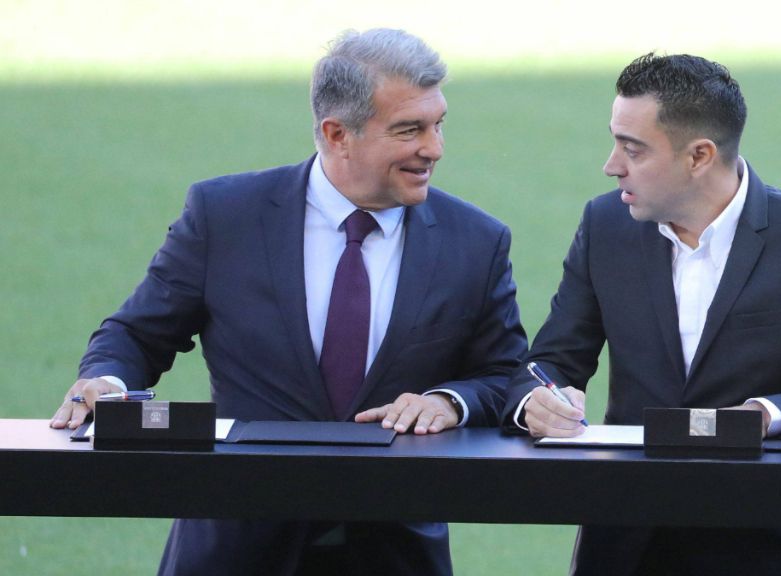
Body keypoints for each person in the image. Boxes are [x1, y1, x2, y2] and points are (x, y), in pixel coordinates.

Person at [49, 28, 527, 576]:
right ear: (336, 132)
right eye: (409, 129)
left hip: (393, 553)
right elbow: (136, 335)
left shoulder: (476, 240)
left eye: (438, 124)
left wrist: (449, 401)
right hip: (235, 549)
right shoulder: (224, 216)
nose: (434, 147)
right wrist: (107, 383)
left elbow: (505, 374)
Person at [501, 53, 781, 575]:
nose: (611, 165)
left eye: (633, 149)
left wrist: (766, 416)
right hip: (624, 545)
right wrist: (536, 399)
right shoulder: (605, 226)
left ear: (699, 156)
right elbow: (548, 363)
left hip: (760, 548)